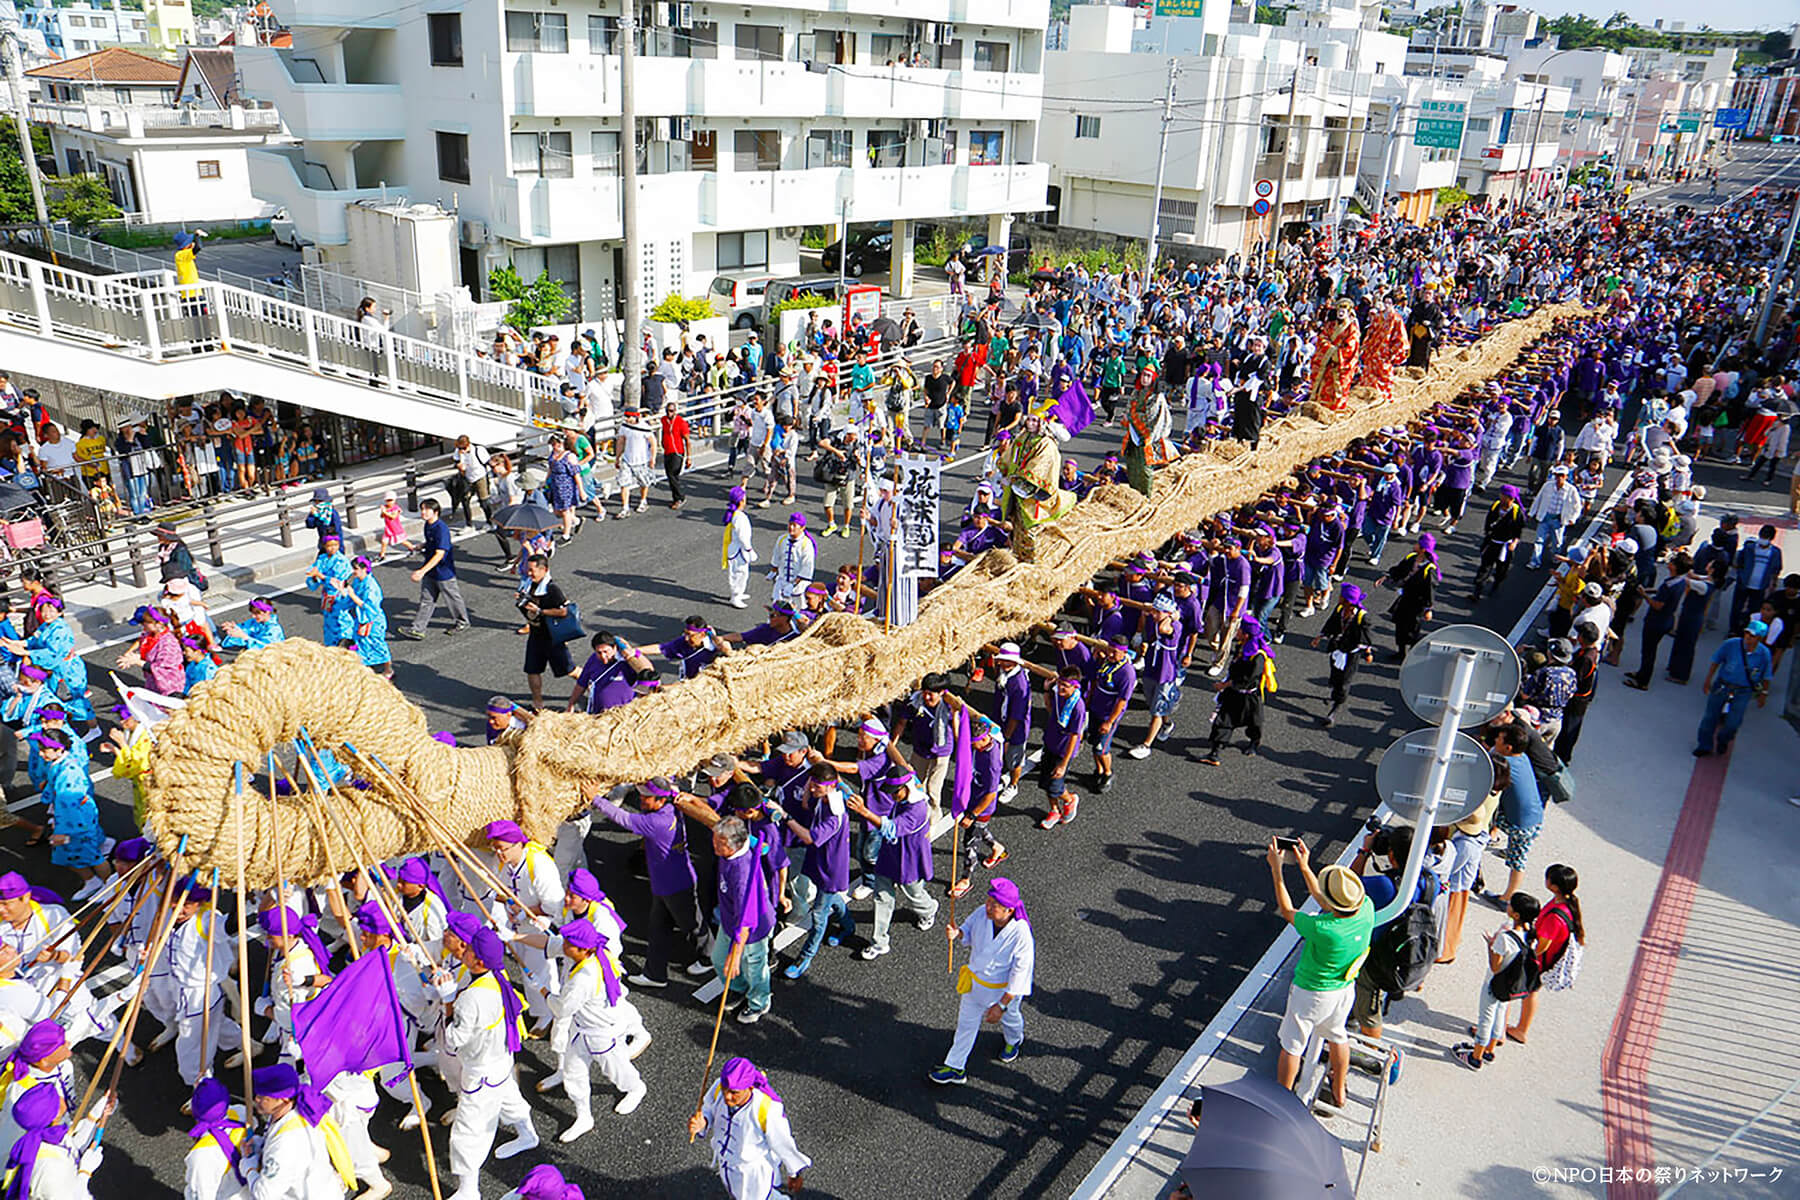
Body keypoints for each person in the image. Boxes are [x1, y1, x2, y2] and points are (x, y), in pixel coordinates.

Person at [1268, 838, 1373, 1110]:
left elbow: (1288, 910)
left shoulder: (1325, 929)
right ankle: (1339, 1093)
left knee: (1292, 1045)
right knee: (1337, 1035)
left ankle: (1281, 1104)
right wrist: (1304, 866)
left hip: (1311, 994)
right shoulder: (1366, 909)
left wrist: (1277, 870)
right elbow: (1327, 901)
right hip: (1344, 990)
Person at [444, 928, 538, 1200]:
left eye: (470, 950)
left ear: (480, 962)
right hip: (499, 1061)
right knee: (509, 1099)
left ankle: (468, 1190)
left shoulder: (472, 998)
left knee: (467, 1132)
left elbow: (453, 1040)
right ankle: (527, 1135)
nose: (465, 950)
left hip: (480, 1072)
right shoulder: (497, 979)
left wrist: (448, 1001)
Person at [589, 779, 707, 989]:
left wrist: (595, 799)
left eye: (646, 797)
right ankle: (655, 974)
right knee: (659, 927)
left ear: (660, 800)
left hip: (675, 885)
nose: (641, 799)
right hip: (668, 882)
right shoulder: (672, 806)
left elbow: (622, 817)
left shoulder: (656, 823)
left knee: (692, 925)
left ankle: (708, 958)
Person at [547, 916, 646, 1144]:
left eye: (568, 943)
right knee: (573, 1073)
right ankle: (584, 1116)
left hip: (602, 1033)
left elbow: (563, 1008)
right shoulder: (595, 954)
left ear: (583, 949)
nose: (564, 945)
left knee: (616, 1071)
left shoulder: (584, 978)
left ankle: (636, 1088)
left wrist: (545, 994)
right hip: (582, 1029)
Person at [928, 877, 1035, 1085]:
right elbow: (967, 930)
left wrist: (1002, 1005)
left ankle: (1014, 1041)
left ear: (1009, 910)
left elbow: (1020, 972)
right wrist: (957, 933)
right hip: (975, 984)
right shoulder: (982, 913)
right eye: (988, 902)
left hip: (1001, 991)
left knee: (1010, 1019)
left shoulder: (1021, 934)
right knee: (965, 1025)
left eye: (994, 905)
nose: (988, 907)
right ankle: (955, 1067)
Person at [687, 1057, 810, 1200]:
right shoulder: (719, 1087)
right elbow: (708, 1108)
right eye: (725, 1089)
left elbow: (783, 1143)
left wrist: (794, 1173)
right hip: (726, 1164)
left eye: (734, 1092)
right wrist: (703, 1122)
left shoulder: (765, 1110)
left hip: (752, 1173)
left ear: (749, 1088)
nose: (727, 1096)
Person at [1457, 892, 1540, 1071]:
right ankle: (1489, 1050)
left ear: (1516, 914)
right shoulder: (1530, 935)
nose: (1508, 905)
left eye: (1511, 905)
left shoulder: (1505, 938)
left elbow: (1495, 967)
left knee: (1485, 1018)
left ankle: (1475, 1056)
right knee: (1499, 1016)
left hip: (1495, 983)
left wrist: (1490, 946)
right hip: (1511, 985)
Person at [707, 816, 776, 1023]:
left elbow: (746, 922)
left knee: (753, 969)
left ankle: (759, 1002)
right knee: (718, 960)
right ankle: (738, 988)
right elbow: (709, 818)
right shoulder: (736, 846)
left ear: (732, 845)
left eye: (718, 843)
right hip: (729, 921)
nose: (713, 845)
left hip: (752, 930)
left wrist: (735, 956)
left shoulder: (742, 874)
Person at [1507, 863, 1583, 1045]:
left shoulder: (1555, 917)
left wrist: (1526, 954)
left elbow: (1543, 945)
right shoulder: (1565, 904)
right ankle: (1520, 1028)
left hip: (1540, 962)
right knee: (1530, 993)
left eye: (1548, 878)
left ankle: (1515, 1030)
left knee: (1517, 991)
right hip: (1547, 961)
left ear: (1555, 886)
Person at [1693, 620, 1773, 757]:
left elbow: (1766, 675)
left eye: (1752, 635)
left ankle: (1723, 740)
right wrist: (1708, 680)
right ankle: (1704, 745)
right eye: (1747, 633)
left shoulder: (1764, 654)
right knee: (1710, 718)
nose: (1748, 637)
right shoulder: (1731, 644)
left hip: (1743, 691)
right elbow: (1716, 661)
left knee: (1733, 723)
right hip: (1722, 685)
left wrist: (1763, 694)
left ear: (1760, 638)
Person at [400, 500, 471, 639]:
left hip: (444, 572)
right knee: (426, 599)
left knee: (452, 598)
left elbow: (440, 553)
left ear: (436, 512)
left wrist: (422, 571)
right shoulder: (428, 525)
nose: (423, 512)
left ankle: (462, 621)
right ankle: (418, 629)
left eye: (427, 509)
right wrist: (423, 545)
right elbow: (433, 542)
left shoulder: (441, 529)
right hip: (431, 571)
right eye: (422, 509)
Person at [516, 554, 572, 710]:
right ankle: (538, 703)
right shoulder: (529, 585)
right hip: (535, 635)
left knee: (570, 670)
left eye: (532, 570)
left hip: (552, 638)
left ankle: (591, 685)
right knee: (532, 670)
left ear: (544, 570)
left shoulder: (552, 589)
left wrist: (541, 611)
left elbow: (564, 612)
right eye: (528, 570)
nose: (529, 573)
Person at [1527, 465, 1582, 569]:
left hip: (1558, 520)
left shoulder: (1571, 490)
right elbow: (1538, 499)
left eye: (1561, 475)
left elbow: (1577, 506)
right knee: (1539, 540)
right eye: (1557, 475)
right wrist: (1531, 513)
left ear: (1566, 476)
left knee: (1557, 542)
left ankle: (1556, 557)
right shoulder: (1547, 485)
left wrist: (1573, 518)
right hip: (1545, 517)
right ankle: (1535, 561)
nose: (1559, 478)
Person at [720, 486, 757, 609]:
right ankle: (735, 596)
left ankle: (739, 593)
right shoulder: (740, 517)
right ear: (741, 501)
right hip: (739, 550)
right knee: (738, 573)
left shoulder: (736, 515)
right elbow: (743, 537)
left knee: (742, 573)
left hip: (737, 549)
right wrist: (749, 550)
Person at [660, 400, 691, 510]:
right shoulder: (664, 420)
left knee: (673, 474)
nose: (669, 414)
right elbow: (663, 432)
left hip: (677, 452)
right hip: (667, 451)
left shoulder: (681, 422)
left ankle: (680, 498)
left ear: (675, 411)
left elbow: (687, 440)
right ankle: (675, 497)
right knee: (671, 476)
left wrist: (689, 457)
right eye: (667, 411)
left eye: (671, 411)